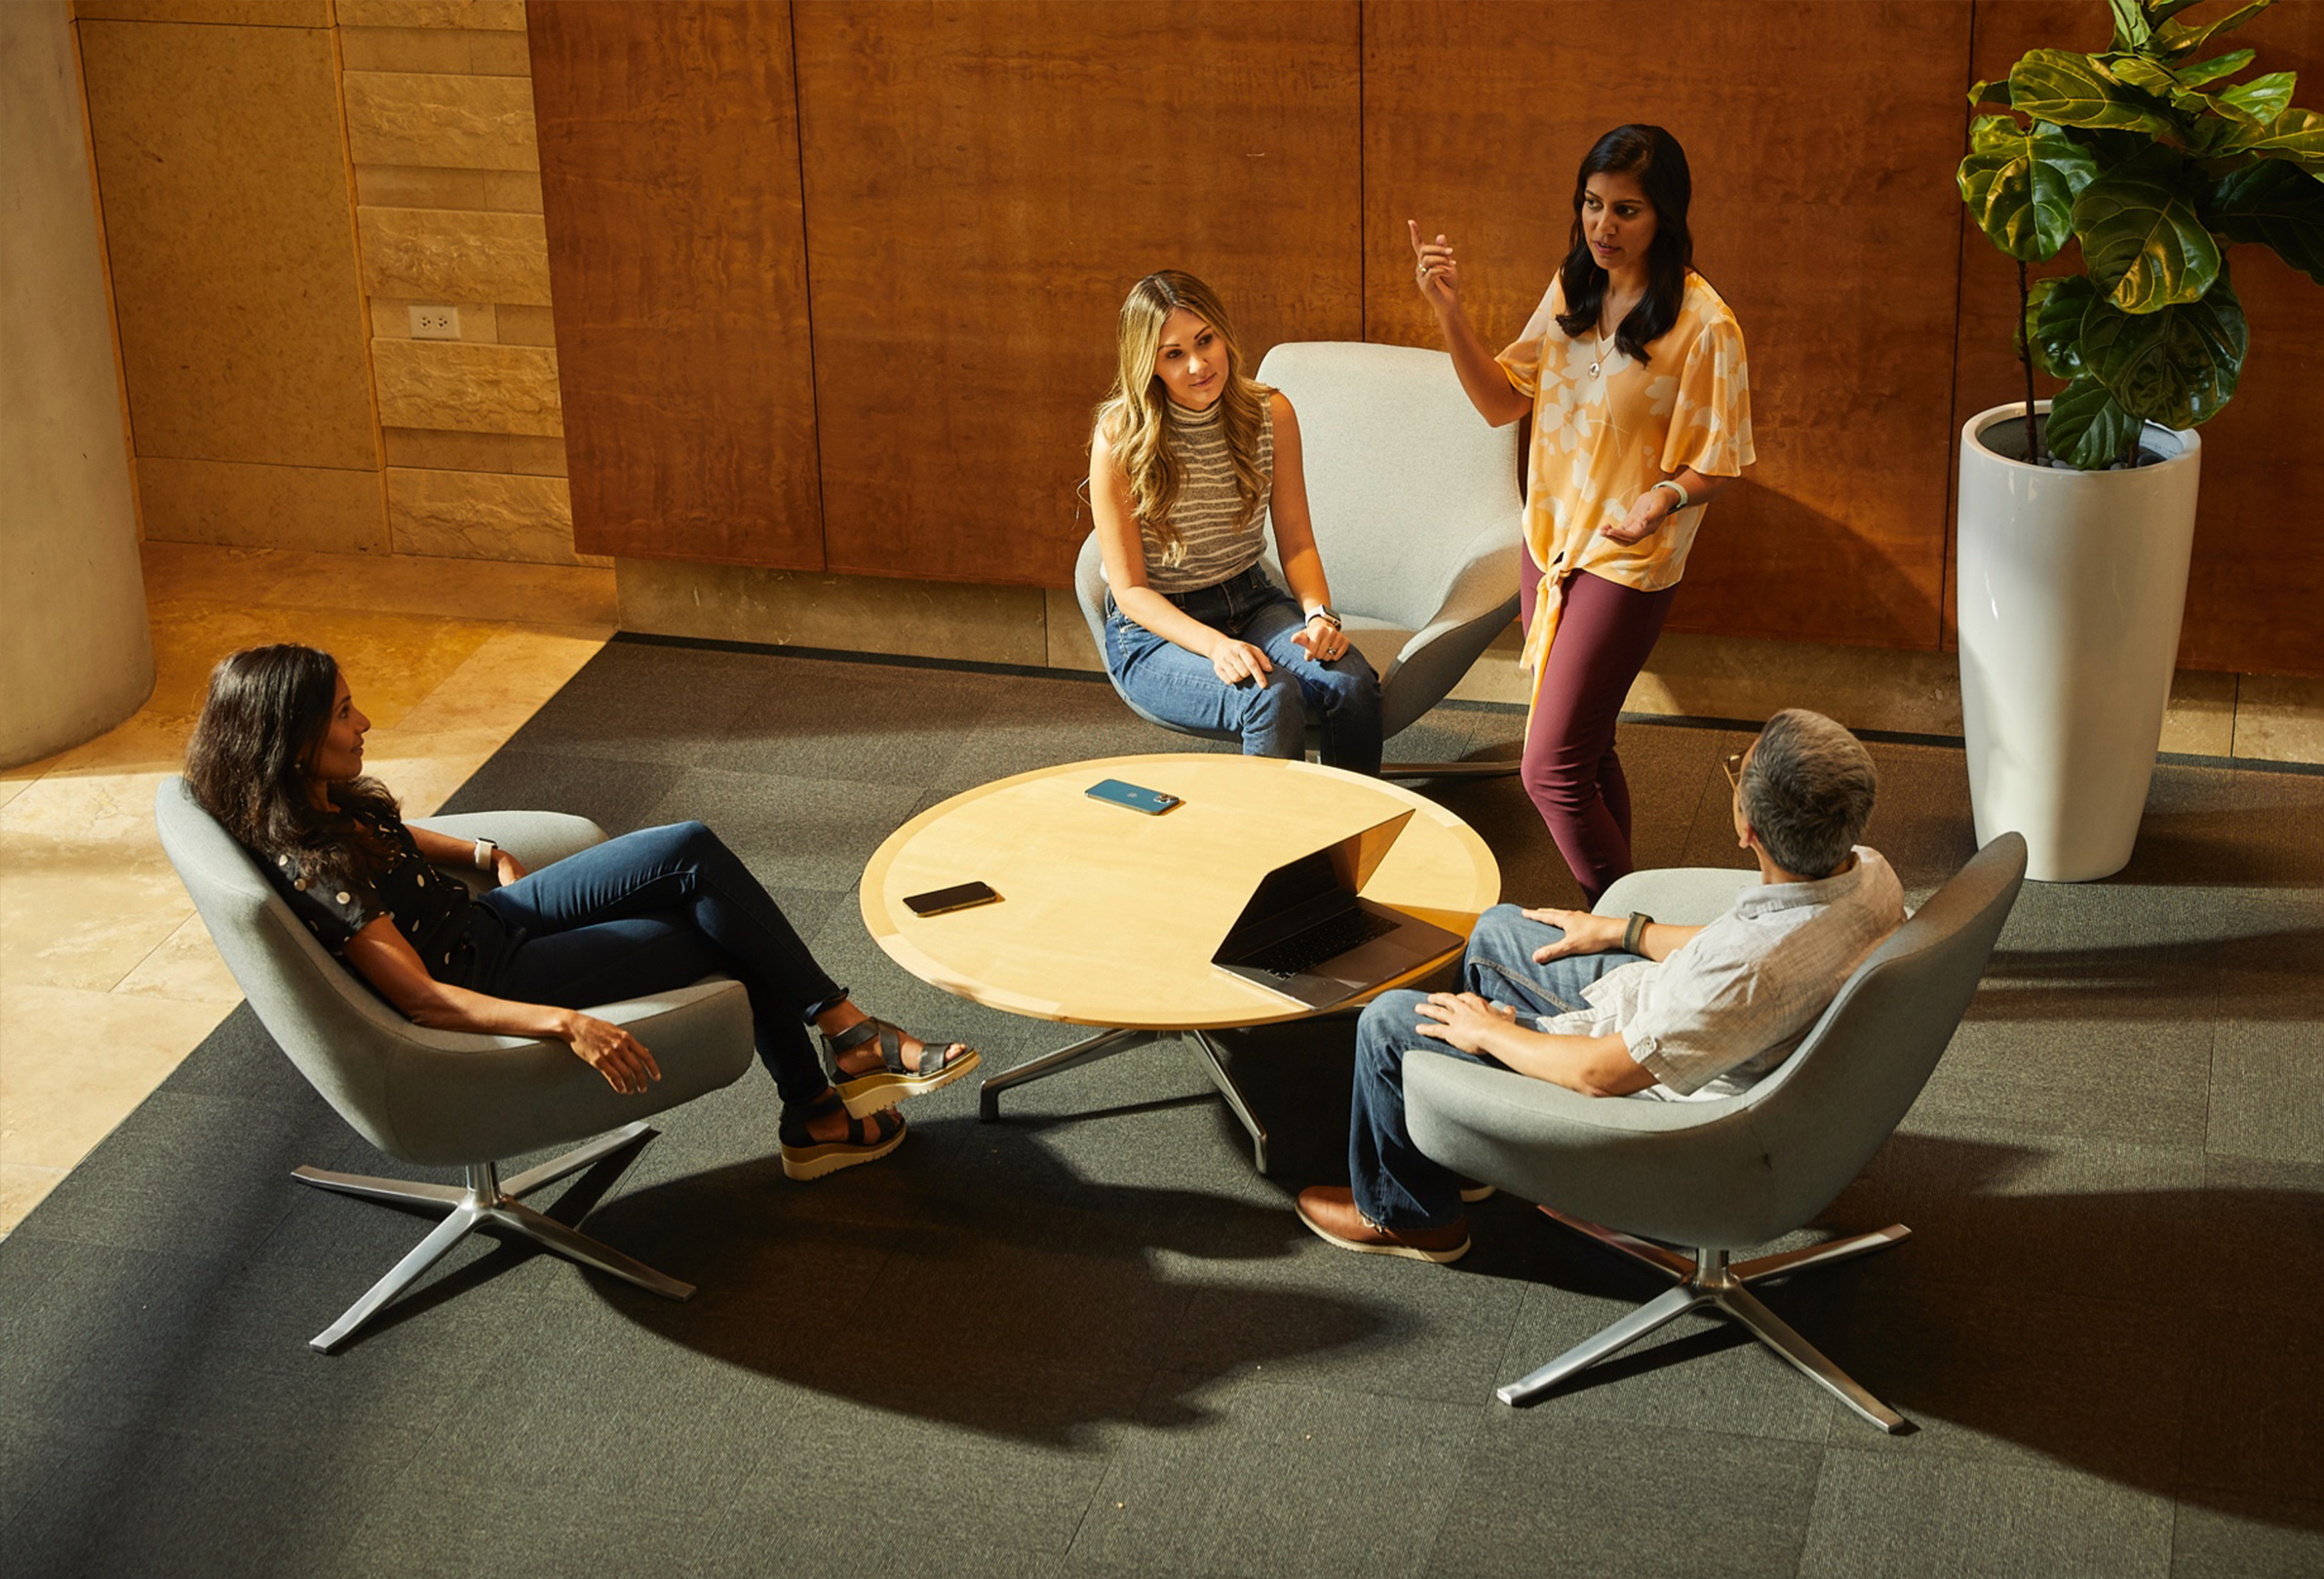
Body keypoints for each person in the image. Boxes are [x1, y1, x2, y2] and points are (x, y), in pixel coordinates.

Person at [182, 643, 978, 1181]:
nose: (364, 724)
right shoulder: (312, 866)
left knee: (688, 848)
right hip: (496, 973)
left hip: (492, 919)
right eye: (344, 715)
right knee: (718, 930)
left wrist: (482, 854)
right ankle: (824, 1093)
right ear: (289, 742)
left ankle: (841, 1049)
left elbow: (398, 836)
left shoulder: (317, 799)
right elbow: (423, 998)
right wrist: (565, 1023)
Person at [1297, 709, 1903, 1262]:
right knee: (1498, 931)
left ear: (1748, 828)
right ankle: (1464, 1139)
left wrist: (1492, 1035)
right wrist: (1622, 931)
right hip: (1699, 1020)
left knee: (1389, 1023)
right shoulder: (1869, 874)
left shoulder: (1748, 971)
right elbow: (1743, 948)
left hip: (1657, 1104)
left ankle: (1406, 1213)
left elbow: (1600, 1074)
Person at [1410, 125, 1755, 902]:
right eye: (1593, 205)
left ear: (1664, 214)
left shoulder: (1705, 325)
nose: (1604, 226)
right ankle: (1621, 913)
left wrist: (1660, 498)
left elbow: (1717, 461)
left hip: (1629, 558)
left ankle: (1627, 931)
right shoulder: (1573, 289)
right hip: (1551, 547)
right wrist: (1449, 313)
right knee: (1584, 750)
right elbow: (1502, 401)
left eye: (1626, 211)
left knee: (1548, 767)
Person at [1089, 270, 1383, 774]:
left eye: (1205, 341)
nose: (1199, 365)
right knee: (1270, 697)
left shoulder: (1270, 412)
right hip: (1155, 628)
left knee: (1351, 683)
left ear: (1224, 334)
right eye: (1173, 353)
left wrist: (1319, 616)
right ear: (1148, 363)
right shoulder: (1120, 437)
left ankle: (1350, 841)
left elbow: (1295, 543)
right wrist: (1215, 646)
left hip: (1248, 597)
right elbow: (1132, 590)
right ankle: (1278, 852)